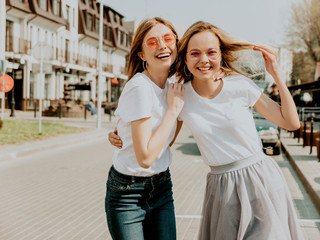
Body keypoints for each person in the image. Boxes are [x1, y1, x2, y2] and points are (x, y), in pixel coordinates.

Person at [109, 21, 304, 240]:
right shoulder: (180, 94)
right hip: (221, 189)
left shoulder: (239, 85)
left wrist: (276, 74)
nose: (204, 60)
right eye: (195, 53)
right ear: (184, 58)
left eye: (211, 52)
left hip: (260, 180)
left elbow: (291, 123)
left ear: (220, 55)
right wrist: (122, 134)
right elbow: (163, 137)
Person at [105, 17, 185, 240]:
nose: (162, 45)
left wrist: (122, 131)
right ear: (141, 54)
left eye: (168, 38)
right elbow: (145, 158)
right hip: (127, 193)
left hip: (161, 185)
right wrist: (173, 111)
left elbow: (165, 142)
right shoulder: (140, 88)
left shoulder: (173, 88)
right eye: (152, 42)